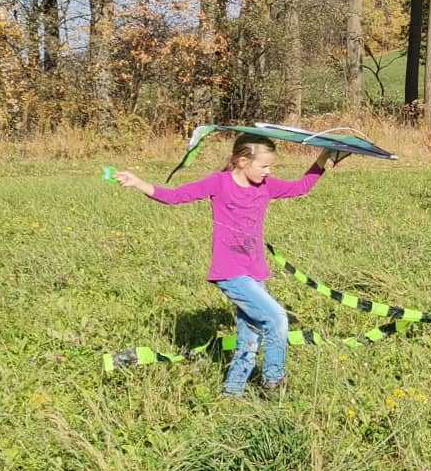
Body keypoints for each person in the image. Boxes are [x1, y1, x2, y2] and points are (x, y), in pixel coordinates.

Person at [112, 134, 345, 398]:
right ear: (243, 161)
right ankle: (273, 382)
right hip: (230, 273)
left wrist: (324, 157)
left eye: (271, 167)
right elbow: (175, 196)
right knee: (277, 318)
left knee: (251, 337)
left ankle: (231, 393)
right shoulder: (219, 183)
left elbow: (299, 187)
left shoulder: (265, 186)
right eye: (264, 166)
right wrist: (138, 183)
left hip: (256, 271)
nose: (268, 172)